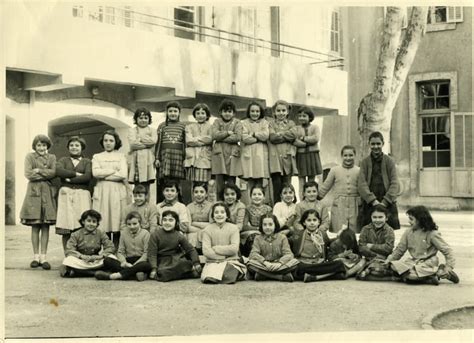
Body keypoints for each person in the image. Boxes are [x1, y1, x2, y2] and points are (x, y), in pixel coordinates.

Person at [385, 206, 459, 285]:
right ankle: (429, 277)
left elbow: (447, 250)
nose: (409, 221)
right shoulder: (408, 232)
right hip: (413, 262)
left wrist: (448, 267)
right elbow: (400, 249)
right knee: (392, 267)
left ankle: (441, 271)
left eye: (411, 219)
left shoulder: (432, 233)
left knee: (411, 276)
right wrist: (389, 261)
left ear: (421, 220)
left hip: (428, 263)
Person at [20, 134, 57, 270]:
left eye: (44, 145)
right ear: (35, 146)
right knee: (35, 226)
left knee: (45, 226)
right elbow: (28, 174)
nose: (41, 147)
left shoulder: (52, 157)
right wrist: (44, 173)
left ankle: (44, 257)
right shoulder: (29, 157)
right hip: (34, 193)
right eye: (39, 145)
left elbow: (53, 172)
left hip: (47, 192)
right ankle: (35, 257)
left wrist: (39, 170)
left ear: (48, 146)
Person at [92, 130, 130, 249]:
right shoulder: (97, 156)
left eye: (111, 141)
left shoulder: (121, 156)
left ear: (116, 142)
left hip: (117, 190)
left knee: (117, 221)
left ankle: (117, 252)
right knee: (105, 221)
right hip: (102, 190)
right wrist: (113, 171)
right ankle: (107, 252)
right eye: (105, 140)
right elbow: (96, 173)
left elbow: (123, 174)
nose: (108, 143)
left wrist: (105, 174)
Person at [55, 136, 92, 255]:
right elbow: (59, 171)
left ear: (82, 147)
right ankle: (68, 255)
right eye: (71, 145)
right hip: (66, 195)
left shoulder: (87, 161)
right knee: (66, 226)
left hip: (82, 195)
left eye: (77, 145)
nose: (74, 148)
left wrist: (69, 180)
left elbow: (87, 177)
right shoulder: (63, 160)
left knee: (81, 224)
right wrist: (76, 174)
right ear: (68, 147)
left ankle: (82, 255)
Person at [358, 131, 400, 230]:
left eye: (378, 144)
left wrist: (385, 202)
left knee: (388, 231)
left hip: (387, 202)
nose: (375, 146)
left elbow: (394, 183)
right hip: (370, 203)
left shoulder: (389, 161)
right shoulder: (364, 162)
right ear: (369, 144)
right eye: (373, 144)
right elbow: (361, 184)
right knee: (369, 231)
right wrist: (373, 201)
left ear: (383, 144)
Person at [291, 209, 346, 282]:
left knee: (339, 264)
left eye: (314, 220)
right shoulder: (298, 235)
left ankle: (313, 276)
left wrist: (340, 234)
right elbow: (288, 243)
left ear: (319, 222)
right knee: (297, 267)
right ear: (304, 222)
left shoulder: (323, 234)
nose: (312, 223)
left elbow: (330, 242)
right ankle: (325, 276)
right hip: (304, 263)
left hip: (319, 263)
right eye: (309, 220)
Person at [95, 211, 152, 281]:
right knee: (107, 260)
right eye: (129, 224)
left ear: (140, 223)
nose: (132, 226)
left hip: (141, 260)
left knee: (146, 265)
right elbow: (120, 251)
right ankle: (135, 274)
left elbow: (146, 253)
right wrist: (124, 262)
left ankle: (114, 276)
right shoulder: (124, 233)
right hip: (128, 261)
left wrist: (135, 265)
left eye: (135, 224)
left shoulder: (146, 234)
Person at [148, 210, 202, 282]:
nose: (167, 222)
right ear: (161, 222)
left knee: (186, 264)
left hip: (176, 259)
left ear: (176, 222)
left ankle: (177, 274)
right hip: (162, 261)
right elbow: (152, 254)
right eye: (165, 220)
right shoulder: (155, 235)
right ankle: (187, 274)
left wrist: (196, 262)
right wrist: (154, 268)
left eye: (170, 220)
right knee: (163, 272)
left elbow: (190, 249)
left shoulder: (179, 235)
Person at [59, 210, 116, 277]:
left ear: (97, 224)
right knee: (68, 260)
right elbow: (69, 250)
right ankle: (95, 273)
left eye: (94, 221)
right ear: (83, 221)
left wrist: (101, 256)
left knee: (112, 258)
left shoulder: (101, 233)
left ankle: (79, 273)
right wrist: (81, 256)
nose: (91, 224)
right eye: (88, 221)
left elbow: (110, 247)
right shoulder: (76, 234)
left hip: (96, 260)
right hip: (81, 260)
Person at [318, 145, 361, 233]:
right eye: (345, 155)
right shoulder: (334, 170)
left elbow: (364, 188)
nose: (348, 158)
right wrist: (315, 199)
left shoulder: (359, 170)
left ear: (355, 156)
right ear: (341, 156)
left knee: (354, 232)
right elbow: (326, 186)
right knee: (339, 231)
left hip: (355, 205)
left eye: (350, 155)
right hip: (339, 204)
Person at [201, 203, 246, 284]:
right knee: (209, 275)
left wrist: (216, 248)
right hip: (213, 261)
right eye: (216, 212)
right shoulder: (207, 229)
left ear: (227, 215)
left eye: (222, 212)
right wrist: (223, 257)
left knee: (229, 270)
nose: (219, 215)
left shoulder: (234, 228)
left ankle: (226, 276)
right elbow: (206, 250)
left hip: (231, 260)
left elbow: (234, 249)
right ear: (213, 216)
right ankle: (215, 277)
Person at [247, 214, 299, 282]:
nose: (267, 227)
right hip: (264, 265)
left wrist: (279, 263)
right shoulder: (258, 238)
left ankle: (263, 275)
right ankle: (279, 277)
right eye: (265, 225)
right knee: (250, 263)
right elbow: (253, 254)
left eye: (270, 224)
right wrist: (265, 262)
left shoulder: (282, 237)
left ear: (275, 225)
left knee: (295, 262)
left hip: (279, 265)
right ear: (261, 226)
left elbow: (289, 254)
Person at [155, 101, 186, 203]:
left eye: (175, 111)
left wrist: (185, 159)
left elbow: (185, 144)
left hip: (178, 157)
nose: (173, 113)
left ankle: (177, 203)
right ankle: (163, 203)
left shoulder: (183, 126)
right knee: (164, 182)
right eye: (170, 111)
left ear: (179, 113)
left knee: (177, 182)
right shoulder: (162, 126)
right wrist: (157, 158)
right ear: (167, 112)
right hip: (165, 157)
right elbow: (158, 143)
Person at [211, 99, 243, 198]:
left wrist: (221, 138)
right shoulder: (217, 121)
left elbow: (237, 137)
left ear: (233, 113)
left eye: (229, 111)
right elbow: (214, 135)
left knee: (231, 182)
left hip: (232, 154)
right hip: (219, 154)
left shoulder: (237, 122)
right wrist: (227, 133)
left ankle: (232, 202)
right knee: (219, 184)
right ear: (220, 112)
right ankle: (220, 203)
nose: (227, 114)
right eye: (225, 111)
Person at [240, 101, 270, 204]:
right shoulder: (243, 123)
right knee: (250, 181)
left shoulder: (264, 122)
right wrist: (258, 138)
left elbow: (266, 135)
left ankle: (261, 204)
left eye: (257, 111)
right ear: (249, 111)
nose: (255, 113)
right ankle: (251, 205)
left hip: (260, 155)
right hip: (249, 155)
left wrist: (252, 134)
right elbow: (244, 137)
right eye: (252, 111)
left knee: (261, 181)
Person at [268, 100, 297, 204]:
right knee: (276, 187)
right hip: (275, 160)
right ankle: (276, 209)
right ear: (274, 112)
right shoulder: (271, 124)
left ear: (287, 112)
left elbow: (293, 135)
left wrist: (280, 134)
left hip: (287, 159)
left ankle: (290, 209)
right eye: (278, 110)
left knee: (287, 186)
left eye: (283, 110)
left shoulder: (291, 123)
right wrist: (285, 136)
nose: (281, 113)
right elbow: (272, 137)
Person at [357, 205, 396, 281]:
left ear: (386, 218)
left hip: (383, 259)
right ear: (371, 217)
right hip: (368, 259)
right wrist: (375, 254)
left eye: (380, 217)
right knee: (359, 266)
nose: (377, 220)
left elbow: (388, 248)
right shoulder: (365, 229)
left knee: (376, 270)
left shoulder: (389, 230)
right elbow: (361, 247)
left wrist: (371, 246)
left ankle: (371, 273)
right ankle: (369, 273)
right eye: (374, 217)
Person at [291, 106, 322, 201]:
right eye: (300, 116)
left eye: (304, 116)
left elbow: (315, 138)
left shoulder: (315, 127)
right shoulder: (296, 128)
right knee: (301, 180)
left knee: (312, 179)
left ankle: (312, 199)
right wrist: (305, 144)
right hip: (301, 156)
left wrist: (303, 139)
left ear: (310, 117)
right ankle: (302, 200)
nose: (302, 118)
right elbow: (294, 141)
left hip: (312, 155)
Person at [127, 107, 157, 193]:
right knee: (138, 186)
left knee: (147, 186)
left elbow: (153, 141)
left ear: (149, 119)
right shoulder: (132, 130)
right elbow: (133, 144)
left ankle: (146, 204)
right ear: (136, 119)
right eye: (140, 118)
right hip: (136, 161)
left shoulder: (152, 130)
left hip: (148, 162)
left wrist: (140, 138)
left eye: (145, 118)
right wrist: (147, 144)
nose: (143, 120)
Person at [184, 103, 213, 187]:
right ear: (194, 115)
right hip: (193, 159)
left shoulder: (210, 127)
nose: (200, 115)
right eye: (198, 113)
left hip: (205, 158)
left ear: (207, 115)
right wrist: (203, 141)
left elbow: (210, 139)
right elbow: (189, 140)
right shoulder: (189, 127)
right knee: (194, 184)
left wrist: (195, 139)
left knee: (204, 184)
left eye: (203, 113)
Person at [241, 186, 272, 257]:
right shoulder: (248, 209)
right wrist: (257, 229)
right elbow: (244, 226)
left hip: (266, 231)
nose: (257, 197)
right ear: (251, 197)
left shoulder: (268, 209)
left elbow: (271, 223)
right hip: (252, 232)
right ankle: (254, 258)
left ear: (264, 196)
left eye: (259, 194)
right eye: (254, 194)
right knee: (253, 238)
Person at [186, 182, 213, 249]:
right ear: (193, 194)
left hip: (208, 234)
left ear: (206, 194)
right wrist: (201, 231)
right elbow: (188, 227)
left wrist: (194, 223)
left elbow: (212, 225)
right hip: (193, 235)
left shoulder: (211, 206)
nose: (199, 194)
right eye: (196, 192)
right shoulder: (189, 207)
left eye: (201, 192)